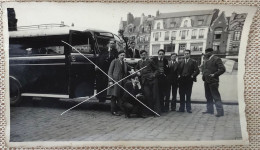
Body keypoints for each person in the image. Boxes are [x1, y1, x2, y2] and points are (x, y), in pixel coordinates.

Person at [202, 48, 226, 117]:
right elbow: (205, 69)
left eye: (207, 52)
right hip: (206, 81)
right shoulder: (206, 59)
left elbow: (222, 69)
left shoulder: (216, 59)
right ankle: (210, 110)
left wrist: (214, 74)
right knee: (208, 96)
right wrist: (204, 76)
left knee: (216, 97)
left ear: (211, 52)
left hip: (213, 81)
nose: (206, 54)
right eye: (205, 52)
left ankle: (220, 112)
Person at [135, 50, 160, 116]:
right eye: (142, 54)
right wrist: (137, 71)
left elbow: (157, 70)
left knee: (155, 96)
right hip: (144, 81)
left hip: (152, 81)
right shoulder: (139, 62)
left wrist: (153, 75)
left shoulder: (150, 61)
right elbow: (136, 68)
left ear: (146, 55)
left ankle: (156, 112)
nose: (143, 56)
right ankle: (150, 111)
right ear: (140, 55)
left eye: (144, 54)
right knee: (148, 96)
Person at [107, 50, 131, 116]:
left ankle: (120, 109)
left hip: (122, 81)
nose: (123, 56)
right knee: (114, 96)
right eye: (121, 55)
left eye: (123, 55)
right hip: (115, 81)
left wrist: (132, 70)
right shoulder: (114, 61)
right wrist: (110, 81)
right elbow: (110, 72)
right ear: (118, 55)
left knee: (120, 96)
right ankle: (113, 111)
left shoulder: (125, 63)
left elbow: (129, 69)